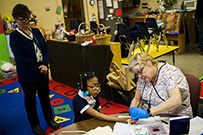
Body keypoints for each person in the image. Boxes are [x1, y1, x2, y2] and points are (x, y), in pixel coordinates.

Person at [10, 4, 59, 135]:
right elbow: (20, 58)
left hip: (42, 71)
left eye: (28, 17)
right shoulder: (15, 36)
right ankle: (35, 125)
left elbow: (45, 49)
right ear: (16, 19)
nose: (26, 21)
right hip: (28, 74)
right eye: (22, 19)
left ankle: (49, 119)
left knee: (45, 97)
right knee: (30, 101)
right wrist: (38, 68)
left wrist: (44, 64)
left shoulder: (36, 31)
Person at [128, 52, 192, 121]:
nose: (139, 76)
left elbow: (176, 100)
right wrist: (132, 110)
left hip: (176, 118)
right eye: (136, 74)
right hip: (155, 118)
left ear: (149, 63)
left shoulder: (170, 73)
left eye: (140, 71)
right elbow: (137, 98)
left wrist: (148, 112)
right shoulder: (143, 77)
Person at [73, 72, 137, 124]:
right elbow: (98, 115)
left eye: (97, 85)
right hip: (83, 124)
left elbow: (101, 112)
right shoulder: (78, 100)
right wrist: (121, 120)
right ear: (82, 86)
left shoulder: (93, 95)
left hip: (94, 121)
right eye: (93, 86)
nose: (97, 89)